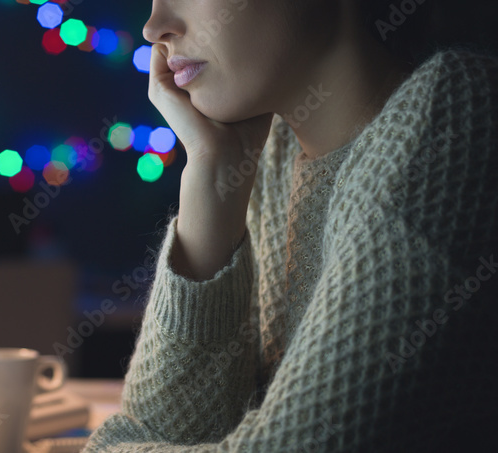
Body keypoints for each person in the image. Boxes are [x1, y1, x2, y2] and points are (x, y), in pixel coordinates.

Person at [83, 0, 498, 451]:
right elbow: (160, 431)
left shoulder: (456, 116)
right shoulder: (272, 156)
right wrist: (214, 171)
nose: (153, 27)